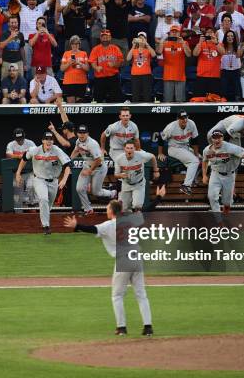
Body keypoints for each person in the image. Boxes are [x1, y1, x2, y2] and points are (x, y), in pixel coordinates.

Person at [63, 189, 166, 336]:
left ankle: (121, 328)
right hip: (137, 258)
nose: (106, 211)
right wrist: (159, 197)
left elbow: (92, 229)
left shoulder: (108, 225)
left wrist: (77, 226)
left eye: (107, 209)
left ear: (112, 211)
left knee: (117, 296)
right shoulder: (131, 219)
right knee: (141, 294)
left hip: (123, 260)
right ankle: (148, 327)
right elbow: (147, 211)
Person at [202, 129, 244, 222]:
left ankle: (227, 207)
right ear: (211, 139)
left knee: (227, 202)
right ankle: (219, 221)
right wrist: (204, 175)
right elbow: (204, 161)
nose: (217, 140)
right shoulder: (207, 150)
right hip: (215, 174)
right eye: (214, 138)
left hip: (229, 175)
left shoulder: (230, 148)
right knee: (212, 196)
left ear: (222, 138)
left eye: (219, 137)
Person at [16, 131, 71, 235]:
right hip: (39, 179)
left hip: (53, 181)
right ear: (42, 141)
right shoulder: (35, 150)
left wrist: (64, 179)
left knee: (48, 205)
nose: (48, 141)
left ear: (53, 141)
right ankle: (46, 226)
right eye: (46, 139)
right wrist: (18, 173)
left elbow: (68, 165)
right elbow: (24, 158)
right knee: (43, 199)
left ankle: (44, 220)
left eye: (50, 139)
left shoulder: (57, 151)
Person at [71, 124, 117, 215]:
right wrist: (69, 160)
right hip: (87, 166)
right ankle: (88, 209)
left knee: (96, 192)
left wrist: (90, 170)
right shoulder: (78, 141)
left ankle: (112, 193)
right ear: (77, 134)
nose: (82, 135)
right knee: (79, 188)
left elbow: (98, 160)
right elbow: (76, 150)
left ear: (87, 134)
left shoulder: (92, 144)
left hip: (99, 168)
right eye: (80, 133)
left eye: (84, 133)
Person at [159, 110, 200, 196]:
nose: (184, 120)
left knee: (201, 159)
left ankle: (192, 181)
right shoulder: (171, 127)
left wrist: (196, 154)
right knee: (194, 161)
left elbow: (195, 140)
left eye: (185, 117)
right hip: (174, 148)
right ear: (178, 119)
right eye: (182, 118)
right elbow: (161, 138)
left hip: (186, 147)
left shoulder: (191, 123)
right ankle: (186, 185)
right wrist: (160, 153)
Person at [113, 139, 159, 212]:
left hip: (139, 184)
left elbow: (152, 157)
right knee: (124, 209)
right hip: (126, 184)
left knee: (137, 205)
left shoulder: (140, 155)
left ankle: (137, 221)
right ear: (124, 149)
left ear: (134, 149)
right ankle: (129, 220)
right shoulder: (119, 159)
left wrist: (156, 171)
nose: (129, 150)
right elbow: (116, 175)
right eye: (127, 148)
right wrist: (120, 175)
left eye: (131, 148)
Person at [89, 29, 123, 103]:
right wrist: (96, 67)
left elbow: (120, 62)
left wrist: (114, 64)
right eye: (103, 37)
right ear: (100, 38)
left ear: (110, 38)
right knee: (97, 101)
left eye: (107, 37)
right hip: (100, 78)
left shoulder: (115, 48)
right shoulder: (95, 49)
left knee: (116, 101)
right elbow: (92, 61)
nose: (105, 39)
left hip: (113, 77)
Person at [158, 25, 190, 102]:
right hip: (168, 75)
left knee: (180, 101)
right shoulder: (165, 43)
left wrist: (183, 44)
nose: (174, 33)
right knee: (168, 101)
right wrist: (162, 42)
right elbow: (158, 52)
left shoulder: (184, 43)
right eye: (173, 32)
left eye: (176, 32)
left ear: (179, 33)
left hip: (180, 76)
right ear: (169, 33)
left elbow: (189, 54)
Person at [6, 128, 37, 209]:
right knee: (17, 193)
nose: (19, 140)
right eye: (18, 139)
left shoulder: (30, 143)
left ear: (24, 136)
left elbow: (36, 153)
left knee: (31, 186)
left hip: (29, 172)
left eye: (21, 138)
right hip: (17, 173)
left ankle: (31, 206)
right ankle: (18, 211)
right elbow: (8, 155)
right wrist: (19, 156)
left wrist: (26, 156)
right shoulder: (11, 144)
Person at [192, 27, 224, 97]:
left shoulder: (219, 44)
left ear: (215, 34)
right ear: (205, 34)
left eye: (211, 32)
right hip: (201, 76)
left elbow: (223, 52)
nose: (209, 33)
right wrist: (200, 42)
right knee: (199, 99)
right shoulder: (201, 44)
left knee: (215, 99)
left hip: (214, 76)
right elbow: (195, 54)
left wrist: (216, 43)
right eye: (208, 32)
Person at [127, 32, 156, 102]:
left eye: (143, 38)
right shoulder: (134, 50)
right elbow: (128, 58)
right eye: (139, 38)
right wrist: (133, 46)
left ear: (146, 39)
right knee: (135, 96)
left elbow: (154, 55)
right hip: (135, 75)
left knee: (147, 96)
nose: (141, 40)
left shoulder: (148, 50)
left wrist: (146, 44)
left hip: (146, 75)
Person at [60, 35, 89, 103]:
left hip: (81, 82)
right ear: (70, 44)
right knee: (71, 104)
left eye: (77, 43)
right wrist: (69, 63)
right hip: (69, 82)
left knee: (80, 103)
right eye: (73, 43)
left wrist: (79, 63)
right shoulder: (66, 53)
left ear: (79, 44)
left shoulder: (84, 53)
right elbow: (62, 68)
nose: (75, 45)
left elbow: (87, 68)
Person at [220, 30, 242, 102]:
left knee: (237, 91)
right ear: (225, 37)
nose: (230, 37)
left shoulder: (238, 46)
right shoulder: (222, 46)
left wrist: (238, 46)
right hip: (225, 72)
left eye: (232, 36)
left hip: (236, 71)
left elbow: (239, 55)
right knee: (223, 91)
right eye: (228, 36)